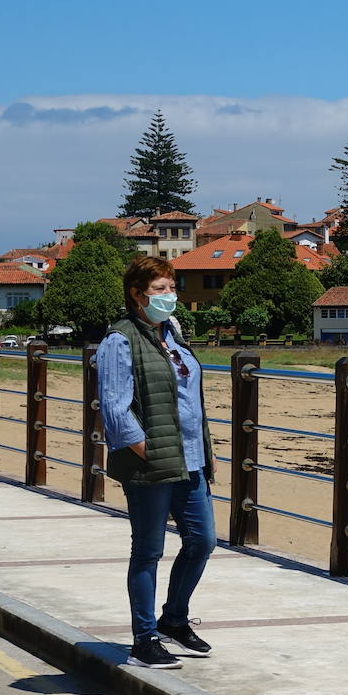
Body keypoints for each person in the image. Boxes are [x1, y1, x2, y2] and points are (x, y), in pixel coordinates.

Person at [97, 255, 217, 669]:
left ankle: (174, 620)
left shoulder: (174, 333)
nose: (170, 297)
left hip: (192, 458)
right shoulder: (121, 339)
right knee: (148, 551)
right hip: (150, 462)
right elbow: (114, 409)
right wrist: (146, 449)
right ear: (136, 295)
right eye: (160, 290)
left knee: (202, 541)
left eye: (171, 288)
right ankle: (144, 638)